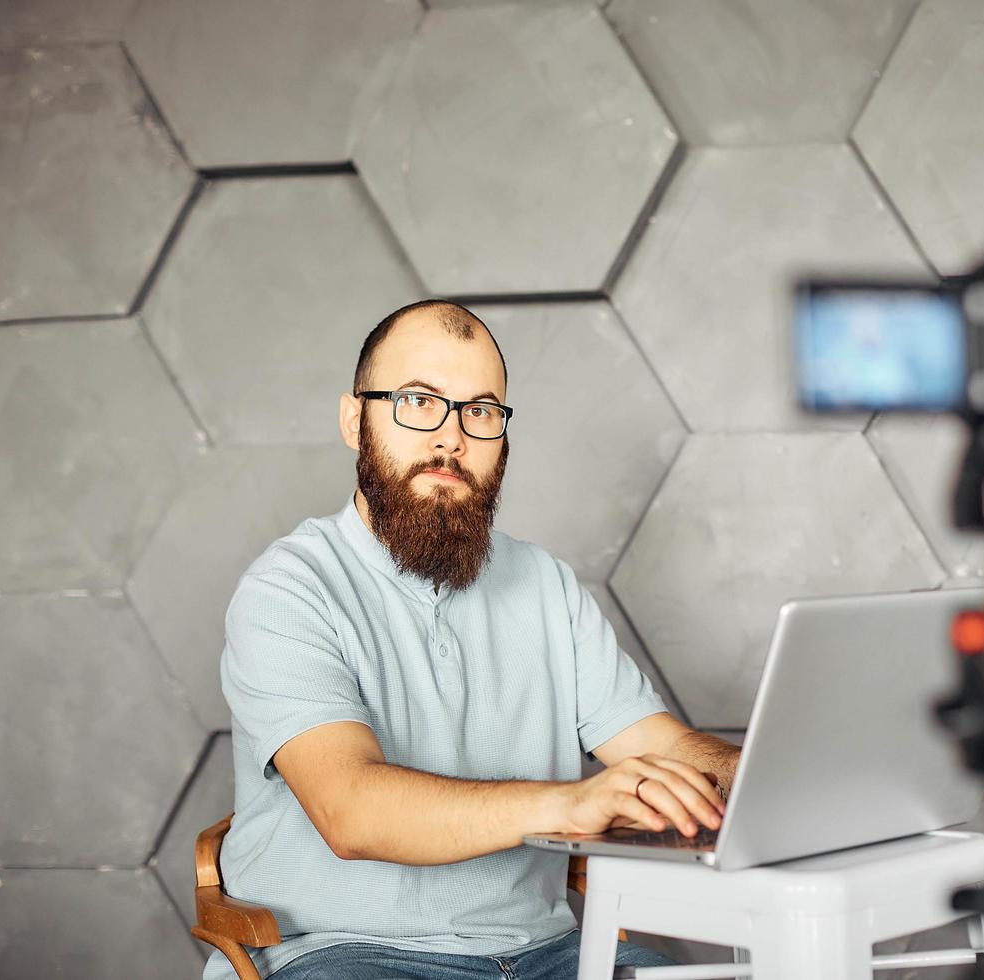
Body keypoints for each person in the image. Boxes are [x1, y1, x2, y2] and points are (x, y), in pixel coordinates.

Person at [204, 300, 741, 980]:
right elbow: (351, 811)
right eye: (418, 401)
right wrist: (571, 801)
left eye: (480, 411)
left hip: (546, 955)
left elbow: (662, 747)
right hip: (343, 952)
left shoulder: (546, 586)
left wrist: (756, 773)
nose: (451, 439)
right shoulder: (287, 590)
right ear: (354, 420)